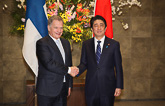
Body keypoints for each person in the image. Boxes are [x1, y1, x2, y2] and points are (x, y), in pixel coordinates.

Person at [77, 15, 124, 106]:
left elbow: (118, 67)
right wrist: (76, 70)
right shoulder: (86, 44)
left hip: (108, 87)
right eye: (95, 25)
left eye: (101, 25)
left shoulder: (114, 45)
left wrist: (119, 86)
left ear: (105, 28)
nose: (99, 28)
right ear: (92, 29)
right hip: (91, 87)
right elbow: (84, 63)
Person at [36, 15, 79, 106]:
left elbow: (69, 63)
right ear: (48, 28)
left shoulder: (66, 43)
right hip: (47, 91)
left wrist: (69, 85)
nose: (59, 31)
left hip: (63, 89)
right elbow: (49, 64)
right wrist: (69, 70)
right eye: (56, 28)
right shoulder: (42, 43)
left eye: (61, 28)